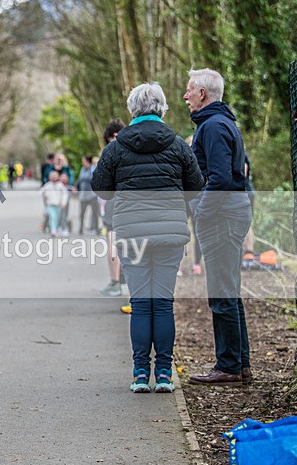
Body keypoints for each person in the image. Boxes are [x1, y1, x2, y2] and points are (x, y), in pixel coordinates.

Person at [93, 83, 203, 393]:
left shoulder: (115, 147)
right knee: (163, 304)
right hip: (170, 232)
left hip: (132, 234)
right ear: (162, 108)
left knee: (141, 304)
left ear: (132, 111)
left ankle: (141, 374)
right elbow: (195, 186)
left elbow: (101, 188)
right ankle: (165, 374)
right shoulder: (179, 145)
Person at [183, 68, 253, 385]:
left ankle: (228, 366)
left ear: (202, 93)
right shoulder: (219, 123)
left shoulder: (212, 126)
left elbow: (222, 179)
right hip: (230, 212)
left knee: (222, 292)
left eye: (189, 90)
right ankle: (240, 363)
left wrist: (200, 209)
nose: (184, 96)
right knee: (229, 289)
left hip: (223, 215)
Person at [98, 119, 126, 298]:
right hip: (131, 202)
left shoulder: (108, 152)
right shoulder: (134, 148)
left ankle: (115, 282)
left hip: (114, 201)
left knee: (113, 241)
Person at [40, 170, 68, 236]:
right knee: (52, 216)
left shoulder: (60, 185)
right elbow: (41, 191)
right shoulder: (47, 185)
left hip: (58, 204)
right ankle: (53, 230)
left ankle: (56, 228)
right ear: (49, 177)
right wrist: (44, 193)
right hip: (50, 204)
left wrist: (63, 202)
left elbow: (65, 194)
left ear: (58, 177)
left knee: (57, 217)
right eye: (52, 176)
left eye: (55, 176)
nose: (53, 178)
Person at [76, 155, 99, 234]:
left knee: (95, 213)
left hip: (92, 195)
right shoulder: (82, 169)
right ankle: (81, 228)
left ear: (87, 161)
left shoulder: (93, 169)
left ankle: (96, 228)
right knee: (82, 213)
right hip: (83, 196)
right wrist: (76, 187)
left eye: (84, 160)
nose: (83, 162)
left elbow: (95, 179)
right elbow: (79, 180)